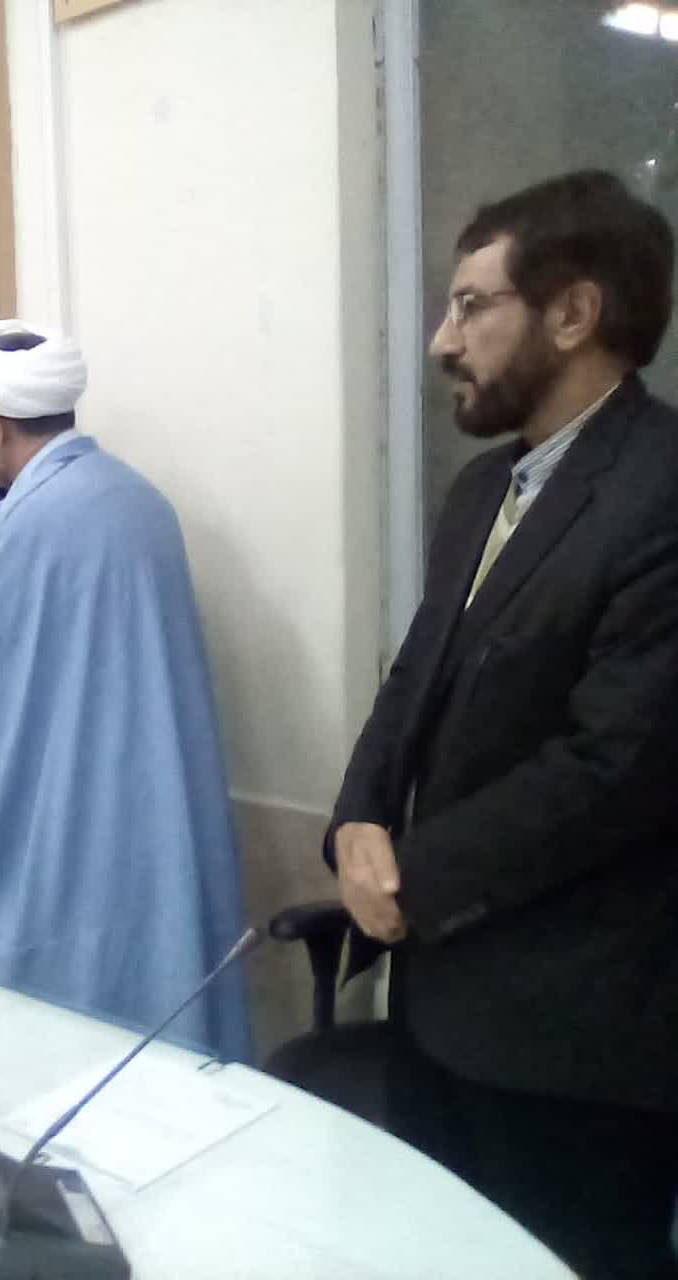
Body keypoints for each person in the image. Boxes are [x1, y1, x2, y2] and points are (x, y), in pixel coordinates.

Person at [327, 171, 678, 1278]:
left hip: (574, 1037)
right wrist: (354, 821)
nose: (443, 340)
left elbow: (616, 764)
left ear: (572, 313)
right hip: (437, 1002)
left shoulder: (661, 488)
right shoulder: (483, 489)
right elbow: (411, 681)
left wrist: (411, 877)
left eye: (471, 306)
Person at [0, 322, 252, 1061]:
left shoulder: (32, 518)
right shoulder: (137, 498)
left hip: (74, 812)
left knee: (81, 1026)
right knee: (162, 1000)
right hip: (152, 796)